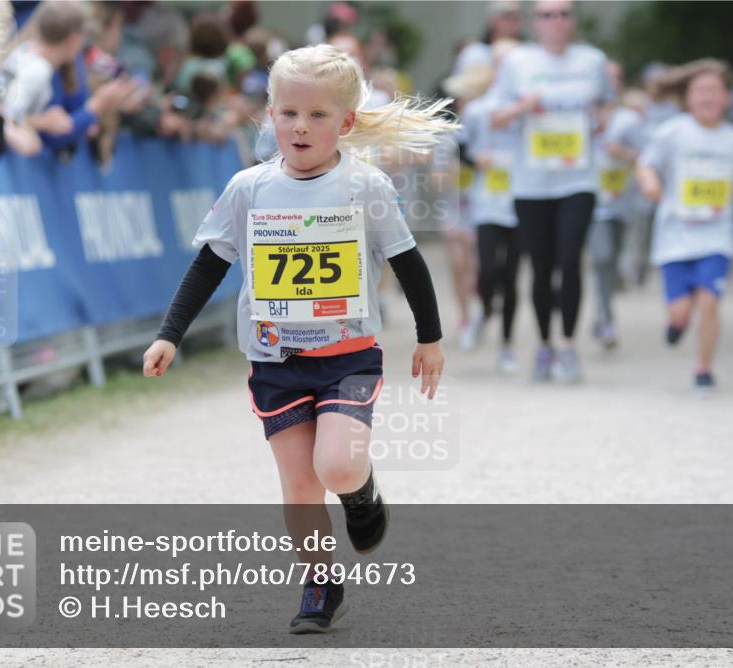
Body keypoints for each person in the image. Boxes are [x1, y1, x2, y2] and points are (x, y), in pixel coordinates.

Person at [141, 44, 455, 633]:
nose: (300, 127)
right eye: (288, 113)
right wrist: (169, 335)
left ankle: (361, 495)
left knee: (337, 468)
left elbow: (408, 260)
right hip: (275, 359)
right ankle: (320, 585)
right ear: (269, 115)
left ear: (347, 122)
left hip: (347, 357)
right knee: (301, 484)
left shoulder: (366, 186)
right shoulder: (248, 188)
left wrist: (429, 338)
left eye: (317, 115)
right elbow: (210, 263)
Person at [489, 0, 613, 382]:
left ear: (573, 20)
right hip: (531, 183)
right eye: (547, 15)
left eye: (563, 13)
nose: (556, 21)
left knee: (570, 259)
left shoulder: (592, 61)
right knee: (540, 267)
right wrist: (522, 107)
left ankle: (570, 347)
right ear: (534, 23)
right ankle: (545, 345)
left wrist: (596, 123)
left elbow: (607, 106)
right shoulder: (518, 62)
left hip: (577, 179)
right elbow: (494, 116)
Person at [636, 59, 733, 394]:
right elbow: (645, 164)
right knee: (679, 313)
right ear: (687, 98)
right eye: (700, 91)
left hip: (716, 235)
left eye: (715, 91)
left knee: (710, 302)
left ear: (728, 99)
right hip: (675, 236)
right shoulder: (673, 132)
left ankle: (703, 369)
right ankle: (677, 323)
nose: (708, 97)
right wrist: (649, 183)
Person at [455, 39, 522, 371]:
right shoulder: (479, 108)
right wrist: (474, 159)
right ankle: (483, 310)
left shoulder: (528, 106)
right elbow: (461, 148)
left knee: (511, 277)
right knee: (488, 269)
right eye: (501, 61)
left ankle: (507, 345)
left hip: (523, 201)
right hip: (487, 204)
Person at [587, 61, 649, 350]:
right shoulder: (581, 116)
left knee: (611, 261)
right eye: (605, 77)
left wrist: (622, 152)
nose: (610, 82)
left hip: (622, 203)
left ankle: (603, 311)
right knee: (601, 257)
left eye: (616, 77)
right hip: (591, 203)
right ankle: (606, 318)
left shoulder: (629, 120)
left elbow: (647, 158)